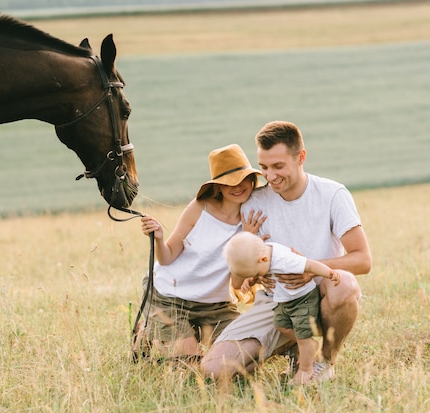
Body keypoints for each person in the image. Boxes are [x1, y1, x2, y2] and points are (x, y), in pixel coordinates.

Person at [201, 121, 372, 387]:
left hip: (321, 292)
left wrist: (309, 268)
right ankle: (290, 345)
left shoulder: (332, 194)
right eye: (264, 167)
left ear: (301, 157)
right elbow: (239, 281)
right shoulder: (254, 204)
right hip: (275, 304)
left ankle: (322, 361)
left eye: (278, 166)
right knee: (214, 369)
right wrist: (255, 276)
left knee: (346, 285)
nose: (270, 176)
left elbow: (363, 259)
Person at [134, 144, 266, 360]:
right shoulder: (199, 208)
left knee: (243, 356)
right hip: (168, 296)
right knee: (189, 362)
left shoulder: (252, 220)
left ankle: (186, 331)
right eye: (228, 182)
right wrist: (158, 237)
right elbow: (166, 258)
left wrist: (248, 239)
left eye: (243, 179)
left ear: (252, 180)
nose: (238, 186)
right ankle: (149, 328)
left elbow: (235, 283)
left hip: (214, 305)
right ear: (218, 186)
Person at [223, 231, 341, 384]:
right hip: (285, 301)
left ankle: (306, 369)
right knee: (280, 325)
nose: (259, 277)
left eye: (257, 273)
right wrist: (251, 281)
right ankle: (308, 345)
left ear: (263, 259)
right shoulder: (262, 256)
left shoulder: (285, 259)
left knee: (302, 333)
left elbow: (310, 264)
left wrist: (329, 273)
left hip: (302, 300)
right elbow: (257, 272)